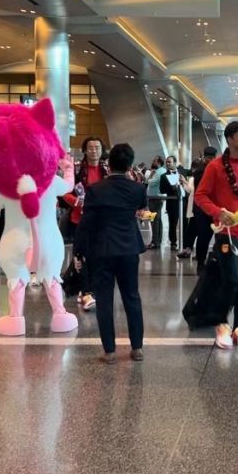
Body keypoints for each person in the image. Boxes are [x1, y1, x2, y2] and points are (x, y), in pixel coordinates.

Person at [75, 143, 148, 363]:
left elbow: (86, 224)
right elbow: (141, 209)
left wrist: (78, 251)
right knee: (132, 296)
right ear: (130, 165)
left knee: (105, 300)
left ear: (109, 163)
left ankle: (110, 351)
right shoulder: (138, 189)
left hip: (102, 250)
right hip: (128, 249)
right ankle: (137, 348)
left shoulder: (96, 190)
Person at [194, 121, 238, 349]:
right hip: (227, 235)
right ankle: (221, 324)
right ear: (230, 139)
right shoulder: (215, 167)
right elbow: (200, 196)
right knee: (230, 280)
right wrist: (218, 212)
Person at [63, 137, 109, 242]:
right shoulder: (76, 169)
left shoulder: (108, 170)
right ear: (84, 150)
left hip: (103, 219)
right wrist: (76, 201)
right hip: (80, 219)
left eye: (97, 148)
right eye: (90, 148)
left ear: (102, 150)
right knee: (81, 249)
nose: (94, 151)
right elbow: (65, 192)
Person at [179, 146, 218, 269]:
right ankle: (201, 264)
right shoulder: (201, 171)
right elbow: (201, 192)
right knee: (203, 237)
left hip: (212, 208)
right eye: (209, 158)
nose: (211, 160)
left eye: (213, 158)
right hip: (202, 209)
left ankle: (207, 261)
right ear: (205, 158)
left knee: (210, 236)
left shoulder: (214, 169)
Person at [160, 156, 184, 251]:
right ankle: (173, 243)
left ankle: (186, 244)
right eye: (167, 162)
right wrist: (171, 187)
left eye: (169, 162)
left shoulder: (182, 172)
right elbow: (162, 190)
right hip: (172, 203)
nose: (168, 164)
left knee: (185, 223)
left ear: (175, 162)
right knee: (173, 224)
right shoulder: (163, 176)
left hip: (184, 202)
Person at [145, 156, 166, 250]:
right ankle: (157, 241)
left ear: (159, 162)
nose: (153, 162)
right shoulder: (160, 171)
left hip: (155, 198)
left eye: (154, 161)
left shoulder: (159, 172)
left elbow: (151, 182)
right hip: (155, 197)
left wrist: (150, 175)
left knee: (154, 220)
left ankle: (155, 242)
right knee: (158, 220)